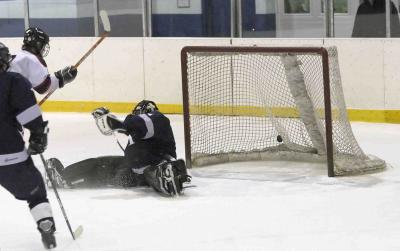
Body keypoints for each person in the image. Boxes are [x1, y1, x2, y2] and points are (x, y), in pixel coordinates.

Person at [47, 100, 191, 196]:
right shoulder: (142, 130)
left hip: (154, 165)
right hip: (133, 173)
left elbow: (141, 123)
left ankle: (166, 175)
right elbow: (133, 128)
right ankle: (65, 177)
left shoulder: (158, 119)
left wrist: (119, 124)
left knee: (151, 170)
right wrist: (115, 123)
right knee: (99, 165)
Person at [0, 42, 56, 249]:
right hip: (8, 155)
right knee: (36, 192)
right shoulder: (13, 80)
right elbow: (28, 113)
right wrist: (38, 134)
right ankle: (45, 223)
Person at [8, 27, 78, 95]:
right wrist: (62, 78)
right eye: (43, 46)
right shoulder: (33, 60)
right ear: (38, 44)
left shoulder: (15, 54)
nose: (44, 49)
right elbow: (43, 88)